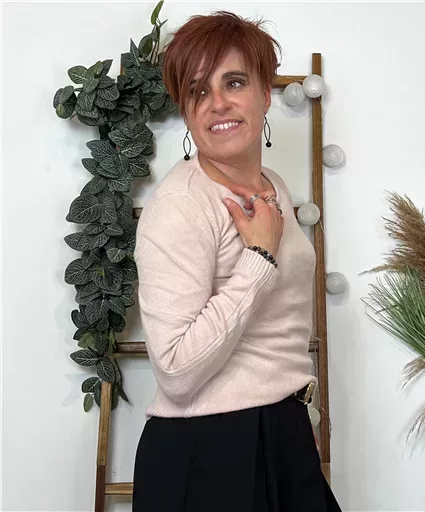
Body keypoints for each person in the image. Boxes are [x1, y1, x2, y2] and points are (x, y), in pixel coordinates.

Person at [132, 10, 342, 512]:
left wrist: (292, 421)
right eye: (198, 90)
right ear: (186, 111)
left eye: (234, 82)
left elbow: (276, 335)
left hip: (281, 433)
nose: (217, 103)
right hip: (208, 455)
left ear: (266, 94)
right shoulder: (181, 206)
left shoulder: (272, 186)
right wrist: (260, 257)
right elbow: (176, 371)